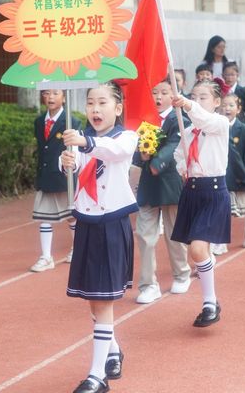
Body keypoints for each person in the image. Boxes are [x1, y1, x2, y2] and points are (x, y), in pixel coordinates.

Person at [61, 83, 138, 393]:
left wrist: (84, 143)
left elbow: (111, 152)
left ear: (117, 108)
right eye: (90, 102)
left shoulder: (126, 137)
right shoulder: (81, 139)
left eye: (102, 102)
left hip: (111, 225)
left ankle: (96, 376)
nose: (95, 108)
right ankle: (113, 350)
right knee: (94, 300)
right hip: (87, 224)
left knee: (103, 300)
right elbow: (82, 166)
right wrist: (68, 160)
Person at [171, 78, 231, 327]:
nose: (197, 101)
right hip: (192, 191)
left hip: (214, 192)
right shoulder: (187, 131)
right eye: (194, 96)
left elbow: (203, 119)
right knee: (195, 251)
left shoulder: (219, 123)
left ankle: (209, 302)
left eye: (203, 97)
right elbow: (179, 154)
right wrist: (183, 167)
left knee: (197, 249)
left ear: (217, 102)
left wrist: (186, 104)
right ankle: (209, 295)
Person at [134, 78, 191, 304]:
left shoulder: (179, 118)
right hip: (148, 185)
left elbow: (174, 145)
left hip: (170, 182)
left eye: (164, 92)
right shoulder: (144, 120)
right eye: (154, 92)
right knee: (145, 235)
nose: (158, 97)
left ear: (173, 94)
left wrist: (157, 162)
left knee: (173, 233)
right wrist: (142, 156)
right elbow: (135, 148)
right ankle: (148, 285)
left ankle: (181, 274)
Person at [30, 89, 81, 272]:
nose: (50, 97)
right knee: (44, 216)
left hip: (63, 176)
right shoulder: (39, 121)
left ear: (64, 96)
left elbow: (75, 150)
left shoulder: (71, 121)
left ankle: (77, 249)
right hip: (45, 175)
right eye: (46, 93)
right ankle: (46, 257)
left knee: (71, 216)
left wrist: (70, 169)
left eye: (55, 93)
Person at [222, 93, 245, 248]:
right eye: (224, 105)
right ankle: (220, 241)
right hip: (223, 175)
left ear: (238, 108)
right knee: (223, 210)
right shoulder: (217, 127)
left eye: (231, 105)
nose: (227, 109)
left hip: (241, 173)